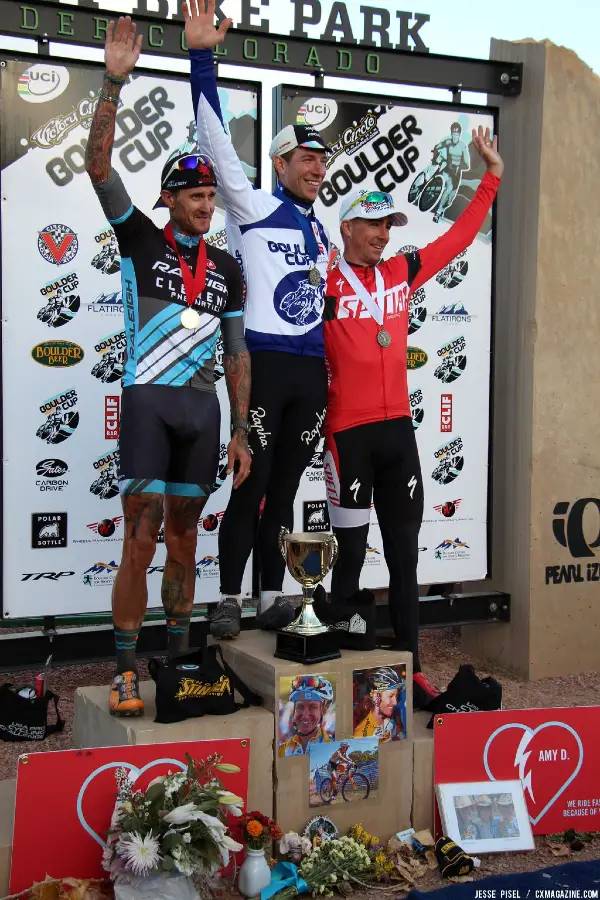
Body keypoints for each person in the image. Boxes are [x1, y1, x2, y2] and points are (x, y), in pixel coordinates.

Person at [84, 16, 251, 716]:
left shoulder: (229, 269)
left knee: (185, 536)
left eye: (212, 197)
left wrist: (241, 430)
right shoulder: (139, 238)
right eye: (195, 197)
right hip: (150, 403)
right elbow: (99, 168)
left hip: (203, 409)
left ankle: (179, 665)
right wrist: (114, 84)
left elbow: (237, 353)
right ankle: (125, 669)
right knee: (141, 534)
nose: (207, 207)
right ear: (170, 201)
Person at [321, 126, 503, 710]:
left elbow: (457, 239)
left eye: (388, 226)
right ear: (347, 227)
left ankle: (411, 668)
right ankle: (339, 670)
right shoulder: (321, 280)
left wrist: (490, 177)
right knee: (348, 557)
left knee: (405, 554)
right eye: (372, 225)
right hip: (347, 434)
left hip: (398, 431)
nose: (382, 235)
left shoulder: (400, 272)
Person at [184, 0, 330, 638]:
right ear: (279, 163)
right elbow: (214, 138)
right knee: (253, 480)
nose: (315, 168)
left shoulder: (323, 231)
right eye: (304, 158)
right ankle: (227, 599)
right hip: (264, 365)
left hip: (311, 372)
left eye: (321, 161)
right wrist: (201, 58)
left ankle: (273, 596)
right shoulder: (250, 207)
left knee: (289, 487)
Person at [278, 675, 334, 756]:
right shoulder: (282, 751)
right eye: (300, 707)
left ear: (324, 708)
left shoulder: (334, 750)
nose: (305, 715)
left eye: (312, 707)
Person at [431, 122, 471, 223]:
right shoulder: (447, 142)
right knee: (448, 188)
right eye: (453, 134)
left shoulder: (463, 146)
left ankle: (442, 208)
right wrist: (435, 153)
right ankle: (437, 212)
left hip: (456, 174)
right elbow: (438, 147)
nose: (455, 136)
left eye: (457, 134)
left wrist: (458, 167)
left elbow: (467, 164)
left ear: (459, 135)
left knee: (450, 199)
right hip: (447, 169)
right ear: (451, 133)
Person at [353, 667, 406, 742]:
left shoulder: (389, 721)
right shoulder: (361, 735)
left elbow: (395, 736)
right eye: (390, 696)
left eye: (396, 696)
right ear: (375, 697)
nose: (395, 702)